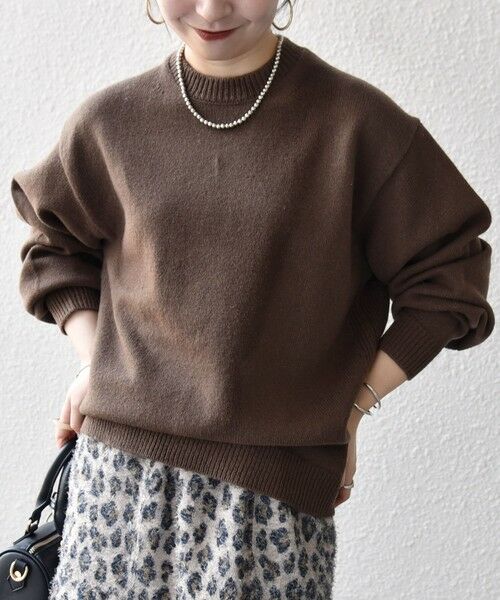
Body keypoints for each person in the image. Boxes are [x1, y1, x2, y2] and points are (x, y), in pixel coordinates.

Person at [10, 1, 494, 598]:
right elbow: (54, 248)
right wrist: (99, 363)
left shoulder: (357, 127)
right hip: (116, 488)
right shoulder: (110, 123)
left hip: (269, 507)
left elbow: (450, 280)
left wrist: (351, 407)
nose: (212, 8)